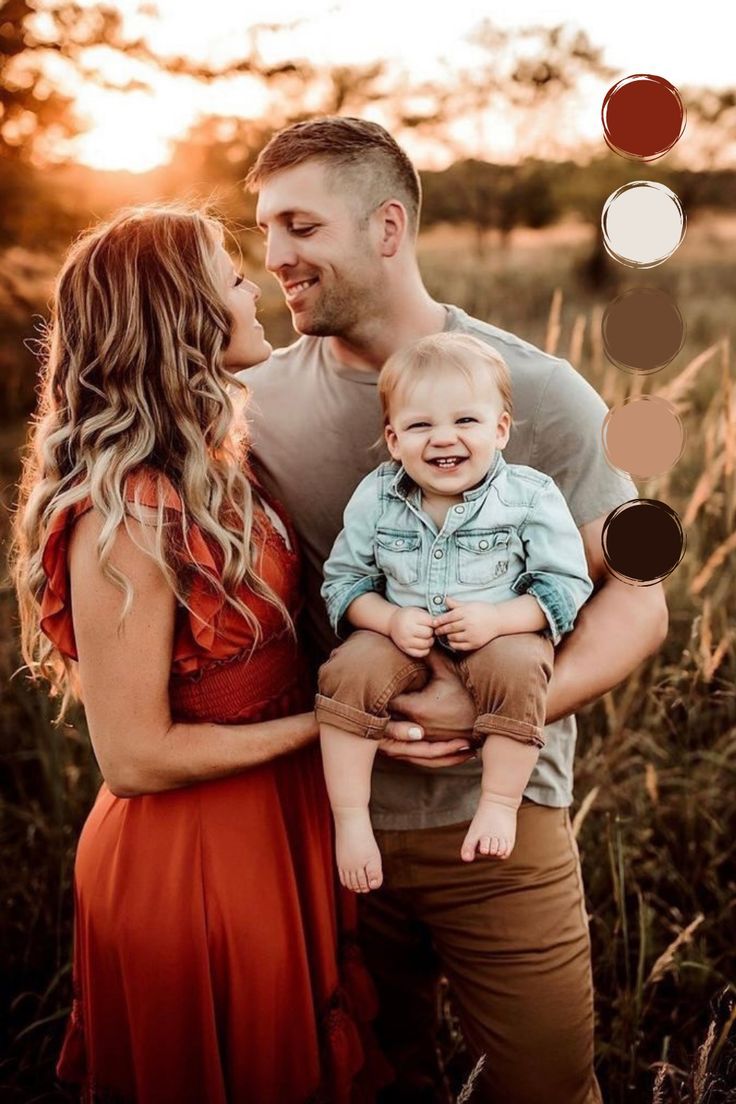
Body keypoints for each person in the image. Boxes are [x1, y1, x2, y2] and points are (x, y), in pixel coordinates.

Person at [239, 116, 669, 1104]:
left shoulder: (539, 393)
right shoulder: (251, 404)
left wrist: (490, 708)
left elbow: (635, 605)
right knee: (363, 1085)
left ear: (387, 230)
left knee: (550, 1087)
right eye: (263, 233)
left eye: (300, 227)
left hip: (502, 835)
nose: (274, 260)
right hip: (320, 837)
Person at [10, 204, 390, 1104]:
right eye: (229, 276)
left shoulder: (221, 462)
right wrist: (326, 727)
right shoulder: (123, 516)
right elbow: (135, 758)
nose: (251, 287)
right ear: (181, 313)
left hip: (277, 825)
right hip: (193, 859)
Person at [316, 332, 594, 892]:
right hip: (400, 634)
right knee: (345, 672)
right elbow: (344, 582)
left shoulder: (529, 497)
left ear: (500, 429)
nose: (444, 438)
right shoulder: (376, 498)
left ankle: (498, 801)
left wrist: (500, 620)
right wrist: (388, 620)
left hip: (500, 630)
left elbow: (566, 584)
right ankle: (350, 820)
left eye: (466, 421)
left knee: (520, 668)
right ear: (394, 440)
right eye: (420, 426)